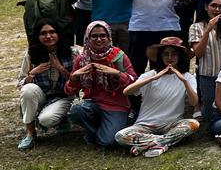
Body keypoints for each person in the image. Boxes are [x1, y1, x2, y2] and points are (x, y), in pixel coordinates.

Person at [117, 37, 200, 157]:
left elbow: (194, 102)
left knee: (193, 124)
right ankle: (164, 142)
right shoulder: (150, 75)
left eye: (173, 54)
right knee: (120, 136)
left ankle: (148, 144)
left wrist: (184, 82)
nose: (170, 58)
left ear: (179, 56)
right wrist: (153, 78)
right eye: (166, 54)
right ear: (161, 57)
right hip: (145, 125)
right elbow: (127, 91)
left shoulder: (187, 77)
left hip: (171, 125)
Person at [66, 21, 137, 149]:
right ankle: (96, 132)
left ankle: (98, 133)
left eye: (103, 35)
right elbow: (69, 91)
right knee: (75, 111)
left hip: (116, 105)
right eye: (94, 36)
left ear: (109, 37)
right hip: (92, 103)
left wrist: (117, 73)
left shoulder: (119, 56)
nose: (99, 39)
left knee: (108, 142)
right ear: (87, 38)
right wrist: (74, 77)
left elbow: (135, 84)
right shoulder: (82, 59)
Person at [16, 20, 77, 150]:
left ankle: (61, 118)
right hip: (40, 95)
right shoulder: (31, 54)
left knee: (46, 119)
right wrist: (32, 74)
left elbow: (77, 82)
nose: (48, 36)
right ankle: (30, 134)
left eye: (52, 32)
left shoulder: (72, 52)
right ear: (38, 37)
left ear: (59, 34)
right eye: (43, 33)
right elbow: (21, 83)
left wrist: (60, 68)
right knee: (28, 89)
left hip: (63, 96)